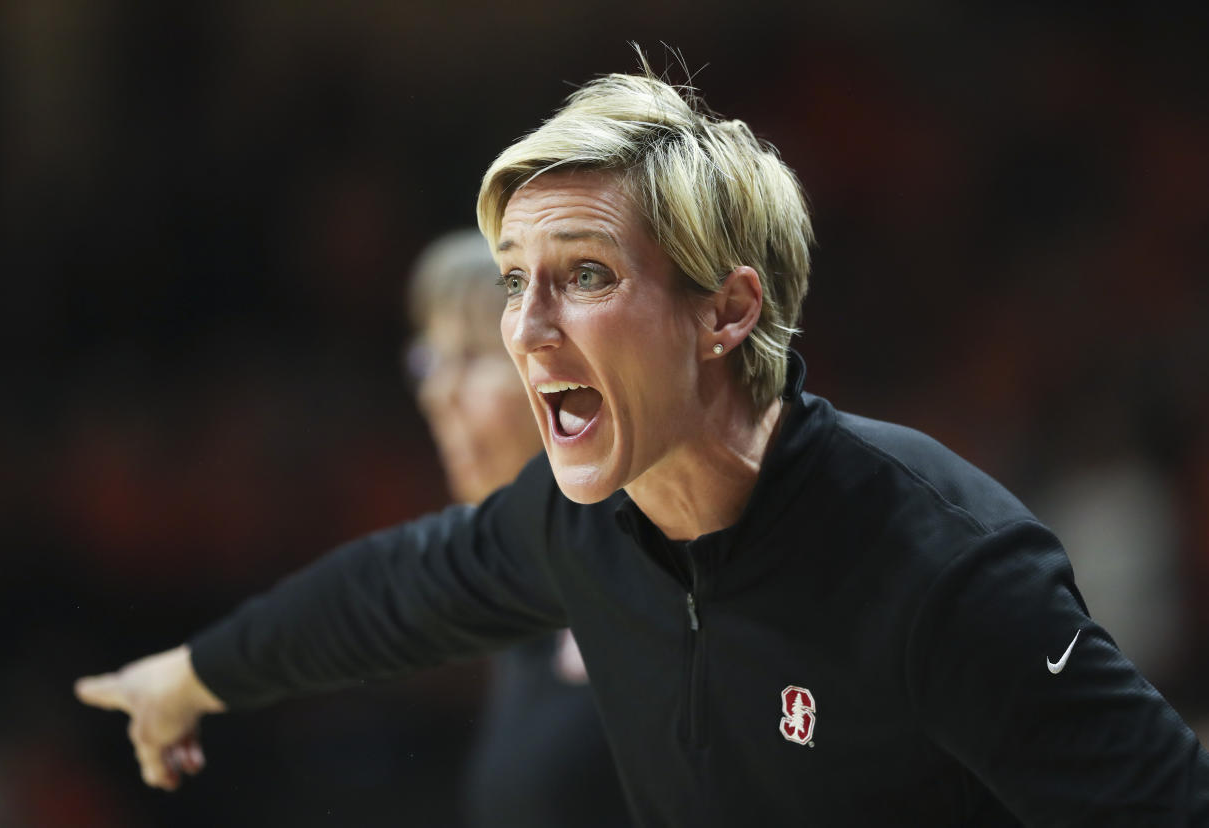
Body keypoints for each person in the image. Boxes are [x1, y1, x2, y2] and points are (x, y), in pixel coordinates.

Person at [76, 61, 1209, 826]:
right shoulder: (578, 524)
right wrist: (189, 676)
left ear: (728, 312)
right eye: (516, 282)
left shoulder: (940, 565)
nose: (525, 330)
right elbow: (391, 591)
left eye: (584, 277)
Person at [404, 229, 630, 827]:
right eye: (429, 360)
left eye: (472, 358)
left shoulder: (663, 578)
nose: (436, 394)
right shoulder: (527, 594)